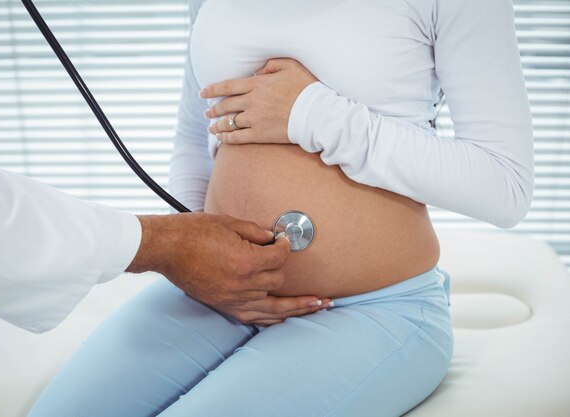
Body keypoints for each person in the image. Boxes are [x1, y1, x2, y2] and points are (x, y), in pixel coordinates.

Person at [28, 0, 534, 416]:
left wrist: (311, 114)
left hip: (375, 308)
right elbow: (194, 133)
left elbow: (503, 187)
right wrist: (196, 259)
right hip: (217, 293)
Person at [0, 144, 331, 334]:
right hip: (208, 295)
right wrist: (182, 247)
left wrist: (308, 112)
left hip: (352, 305)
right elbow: (196, 137)